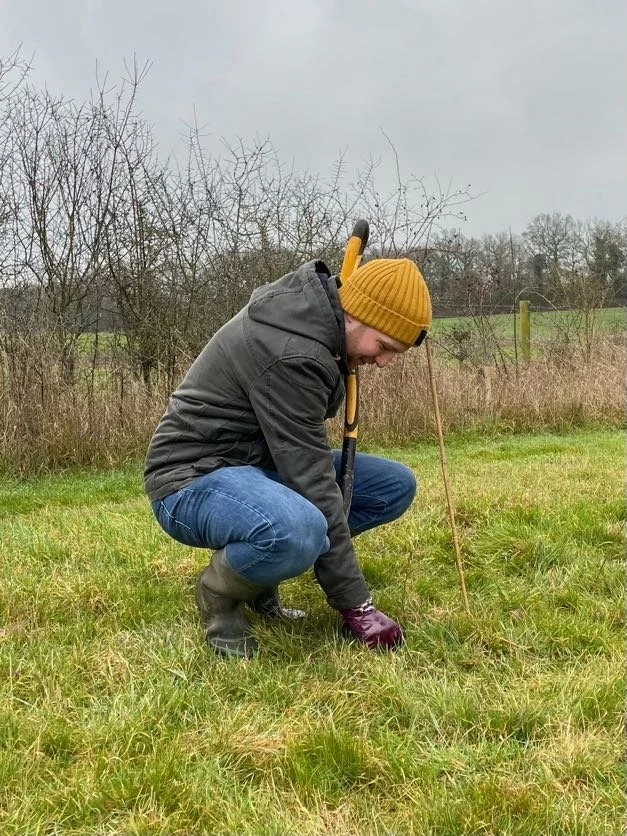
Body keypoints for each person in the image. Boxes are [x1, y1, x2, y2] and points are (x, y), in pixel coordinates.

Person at [144, 254, 432, 658]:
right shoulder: (292, 352)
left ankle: (262, 571)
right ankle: (219, 595)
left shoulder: (324, 333)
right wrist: (357, 606)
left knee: (392, 487)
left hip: (258, 466)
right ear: (353, 315)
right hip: (191, 478)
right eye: (383, 346)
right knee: (300, 528)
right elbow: (312, 479)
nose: (383, 362)